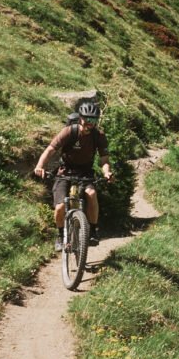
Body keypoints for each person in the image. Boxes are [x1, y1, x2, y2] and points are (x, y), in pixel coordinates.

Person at [33, 100, 112, 249]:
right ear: (80, 118)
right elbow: (50, 149)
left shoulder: (98, 136)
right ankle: (60, 235)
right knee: (60, 207)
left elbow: (104, 159)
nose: (90, 123)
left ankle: (92, 231)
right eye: (87, 119)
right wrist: (40, 166)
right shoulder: (69, 131)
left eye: (93, 120)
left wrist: (107, 172)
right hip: (65, 171)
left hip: (85, 172)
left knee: (91, 194)